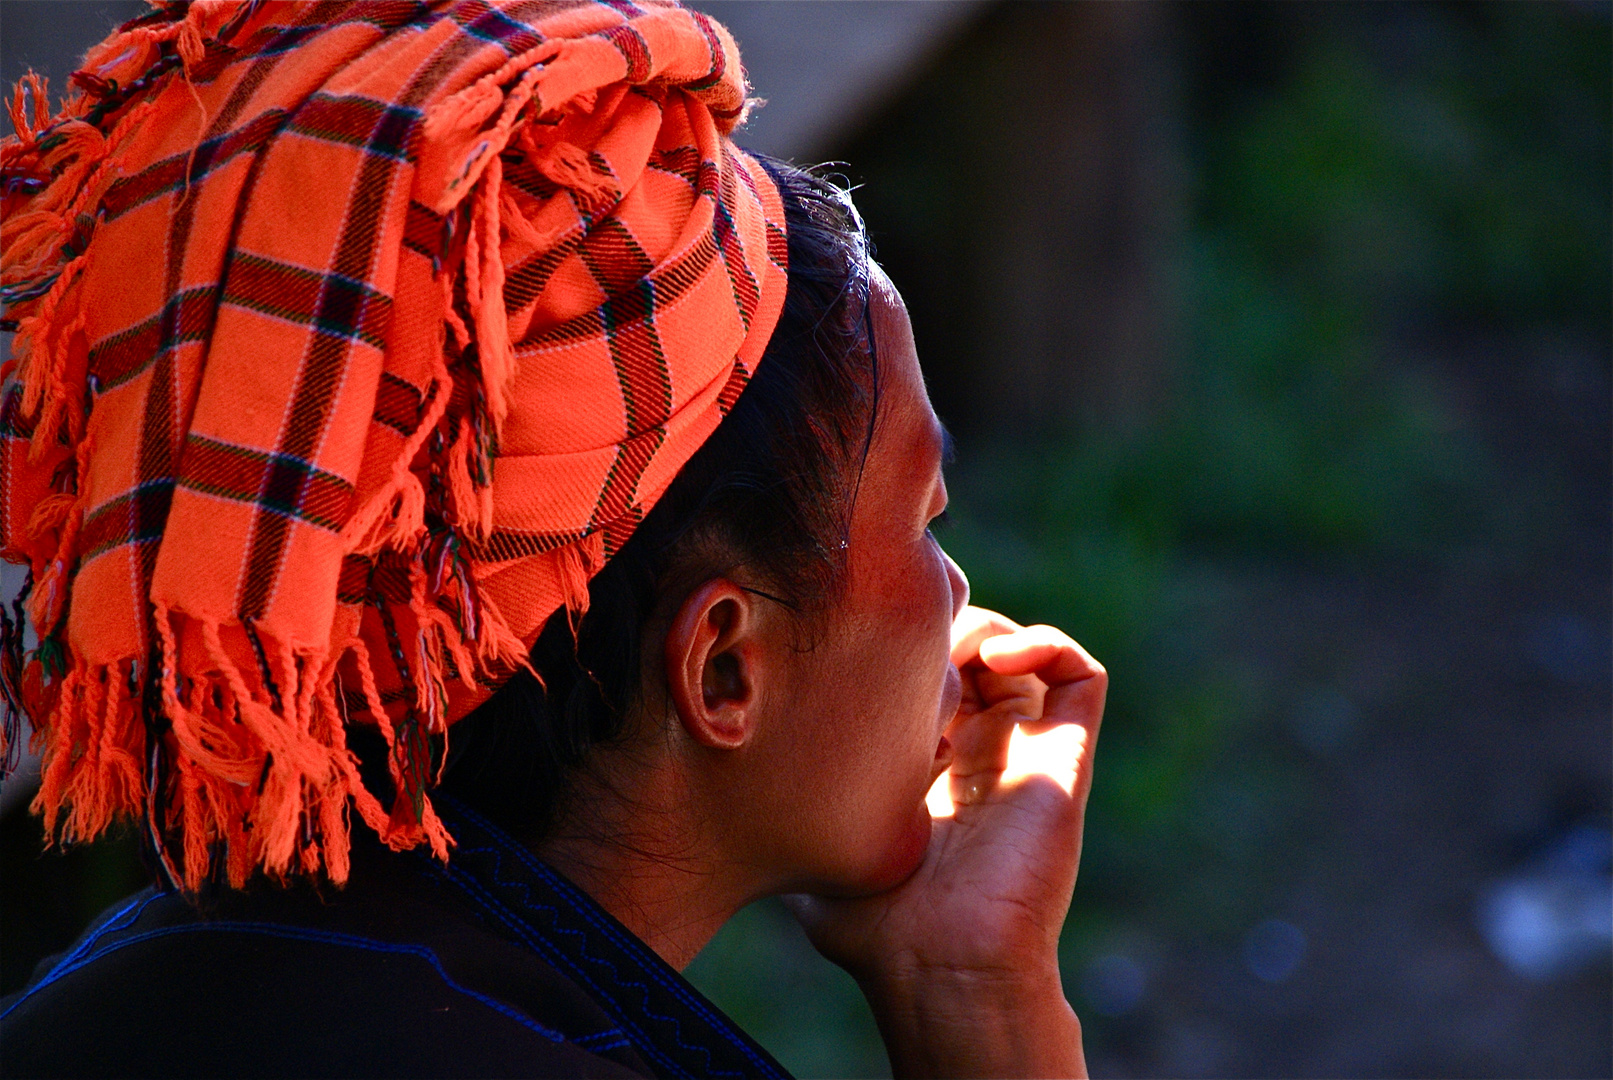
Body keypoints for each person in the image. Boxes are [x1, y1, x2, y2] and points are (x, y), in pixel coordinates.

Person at [0, 3, 1106, 1077]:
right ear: (722, 665)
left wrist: (967, 988)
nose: (957, 591)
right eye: (922, 521)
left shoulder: (109, 1006)